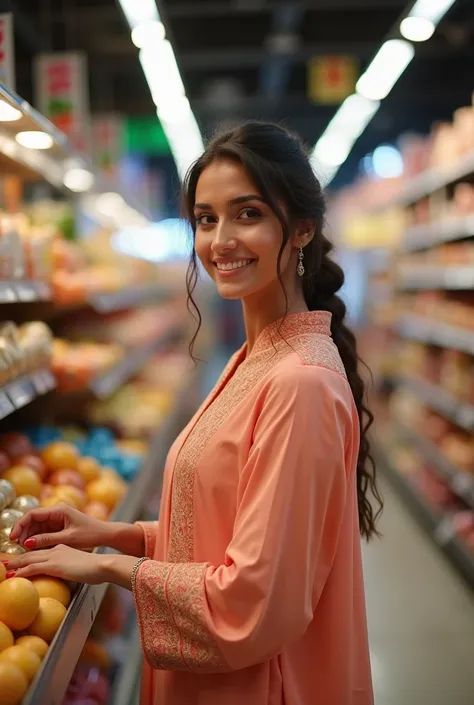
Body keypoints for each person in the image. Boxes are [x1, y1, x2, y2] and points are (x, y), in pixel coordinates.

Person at [6, 122, 382, 705]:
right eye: (206, 219)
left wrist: (111, 570)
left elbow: (256, 600)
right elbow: (230, 529)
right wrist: (116, 534)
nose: (220, 240)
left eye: (248, 214)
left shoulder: (300, 382)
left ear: (303, 229)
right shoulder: (257, 357)